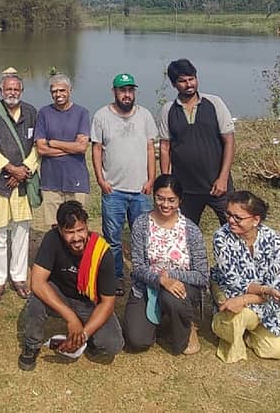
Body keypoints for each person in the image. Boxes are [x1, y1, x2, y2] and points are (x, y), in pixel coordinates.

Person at [18, 201, 124, 371]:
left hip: (89, 301)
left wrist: (83, 334)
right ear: (60, 230)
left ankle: (87, 340)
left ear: (87, 227)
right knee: (37, 299)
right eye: (70, 232)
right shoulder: (52, 239)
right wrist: (70, 317)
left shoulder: (102, 252)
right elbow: (37, 282)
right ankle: (32, 345)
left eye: (80, 230)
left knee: (113, 345)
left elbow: (107, 303)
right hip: (60, 294)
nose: (76, 238)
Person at [123, 175, 208, 355]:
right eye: (160, 198)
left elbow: (201, 275)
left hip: (182, 286)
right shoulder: (141, 224)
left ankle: (187, 326)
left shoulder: (190, 230)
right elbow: (138, 267)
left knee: (172, 298)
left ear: (180, 200)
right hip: (147, 285)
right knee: (137, 341)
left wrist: (170, 277)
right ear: (154, 196)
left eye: (171, 200)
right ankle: (160, 318)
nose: (165, 205)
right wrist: (160, 280)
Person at [90, 73, 157, 294]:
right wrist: (101, 180)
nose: (127, 94)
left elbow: (150, 148)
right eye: (122, 90)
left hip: (141, 190)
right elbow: (97, 149)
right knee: (113, 238)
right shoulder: (101, 116)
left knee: (143, 238)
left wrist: (151, 179)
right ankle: (116, 277)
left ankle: (143, 277)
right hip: (114, 190)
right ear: (114, 92)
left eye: (130, 90)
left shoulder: (145, 115)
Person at [210, 191, 280, 363]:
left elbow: (277, 286)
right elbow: (234, 281)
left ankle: (250, 335)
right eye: (229, 214)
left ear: (256, 220)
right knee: (234, 316)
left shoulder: (275, 242)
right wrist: (261, 291)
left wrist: (246, 298)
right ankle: (230, 331)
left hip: (265, 301)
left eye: (238, 217)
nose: (231, 220)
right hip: (232, 294)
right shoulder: (221, 237)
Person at [0, 71, 39, 301]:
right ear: (1, 91)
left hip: (23, 182)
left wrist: (24, 169)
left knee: (21, 231)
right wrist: (9, 168)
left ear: (21, 91)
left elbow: (38, 146)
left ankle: (18, 276)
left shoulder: (32, 113)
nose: (12, 93)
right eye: (8, 89)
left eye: (16, 89)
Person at [159, 58, 235, 225]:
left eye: (191, 79)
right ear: (174, 84)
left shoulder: (214, 103)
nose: (189, 84)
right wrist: (167, 182)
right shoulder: (168, 110)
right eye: (182, 81)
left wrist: (222, 178)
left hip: (217, 185)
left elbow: (229, 141)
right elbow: (165, 148)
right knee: (185, 233)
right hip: (186, 189)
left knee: (233, 227)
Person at [35, 73, 91, 228]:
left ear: (70, 90)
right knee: (55, 226)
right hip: (51, 179)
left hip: (76, 179)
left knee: (77, 226)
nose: (58, 94)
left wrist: (53, 142)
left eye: (62, 90)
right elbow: (41, 149)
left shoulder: (82, 113)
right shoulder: (44, 113)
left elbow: (82, 147)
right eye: (54, 91)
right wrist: (71, 147)